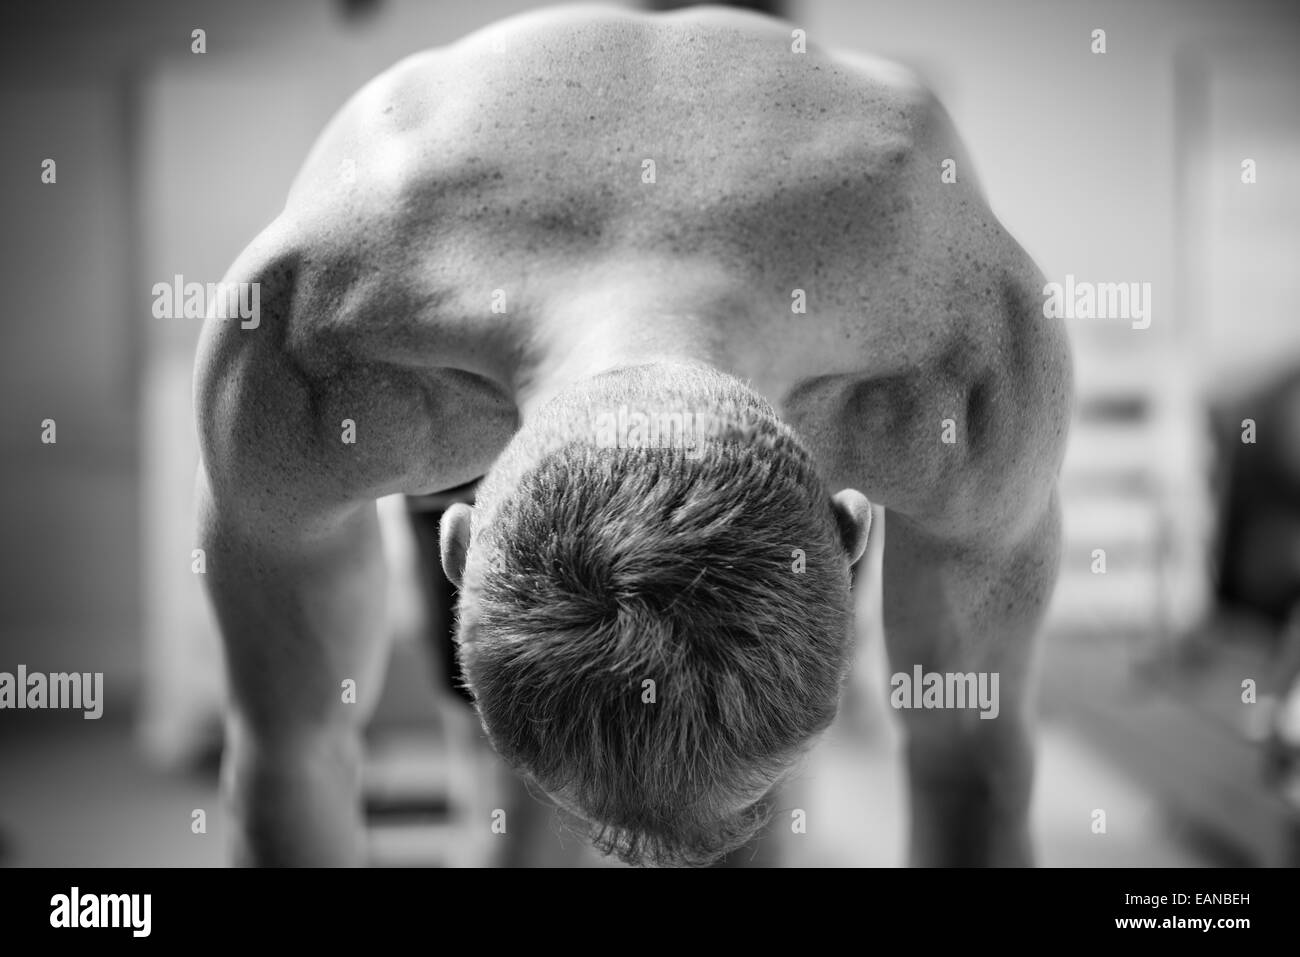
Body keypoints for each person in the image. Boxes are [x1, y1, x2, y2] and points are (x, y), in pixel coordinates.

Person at [194, 4, 1071, 867]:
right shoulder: (315, 346)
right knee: (525, 828)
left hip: (799, 352)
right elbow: (288, 752)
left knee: (745, 791)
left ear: (840, 535)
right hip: (450, 349)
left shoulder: (960, 356)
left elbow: (974, 769)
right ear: (464, 543)